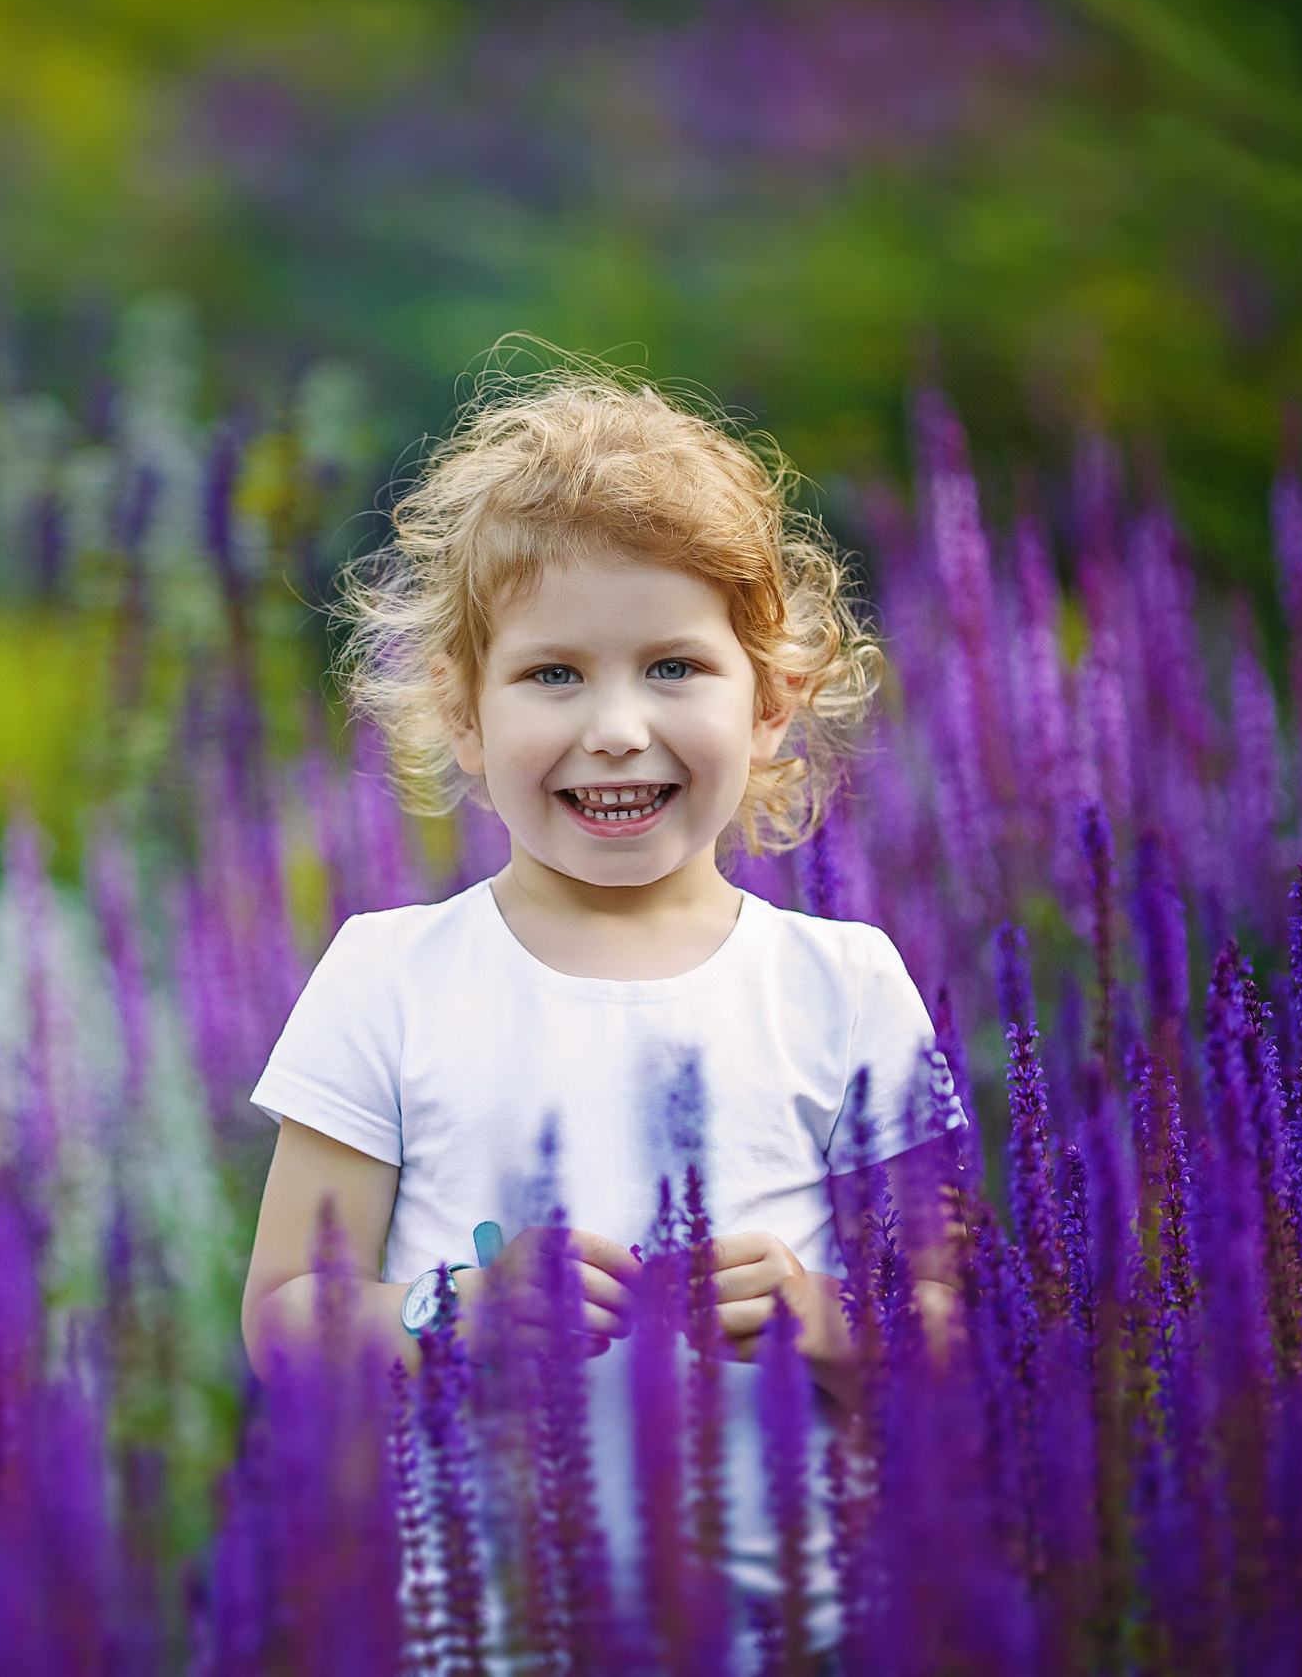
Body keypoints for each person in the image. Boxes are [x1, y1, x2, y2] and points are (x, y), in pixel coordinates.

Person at [238, 363, 963, 1650]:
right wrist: (448, 1319)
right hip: (490, 1632)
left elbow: (957, 1333)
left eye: (675, 667)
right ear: (463, 715)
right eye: (554, 676)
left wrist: (823, 1317)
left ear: (770, 699)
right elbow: (287, 1309)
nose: (618, 727)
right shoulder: (386, 976)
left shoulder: (844, 987)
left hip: (795, 1632)